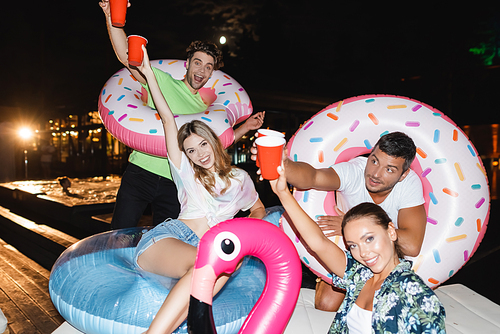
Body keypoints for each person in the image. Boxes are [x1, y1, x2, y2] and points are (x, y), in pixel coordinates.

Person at [132, 46, 266, 334]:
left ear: (214, 142)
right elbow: (168, 118)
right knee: (210, 264)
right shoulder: (186, 170)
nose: (199, 154)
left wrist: (244, 233)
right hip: (170, 239)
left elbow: (257, 209)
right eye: (191, 150)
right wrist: (148, 75)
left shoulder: (240, 179)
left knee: (219, 265)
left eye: (203, 144)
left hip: (210, 248)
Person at [99, 0, 265, 229]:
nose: (202, 70)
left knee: (165, 240)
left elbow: (212, 145)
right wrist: (111, 16)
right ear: (187, 64)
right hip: (141, 173)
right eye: (198, 63)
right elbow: (125, 56)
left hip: (176, 182)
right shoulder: (163, 82)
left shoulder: (205, 109)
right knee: (119, 234)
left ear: (212, 74)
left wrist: (245, 128)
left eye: (209, 67)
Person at [253, 131, 427, 311]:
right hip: (345, 250)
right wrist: (283, 165)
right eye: (374, 160)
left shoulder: (409, 185)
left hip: (380, 252)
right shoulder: (355, 171)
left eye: (389, 169)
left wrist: (352, 226)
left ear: (403, 174)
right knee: (326, 305)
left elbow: (412, 245)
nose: (375, 173)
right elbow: (313, 177)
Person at [270, 167, 446, 333]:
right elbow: (319, 242)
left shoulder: (418, 296)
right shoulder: (360, 274)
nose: (363, 253)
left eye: (369, 239)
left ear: (391, 232)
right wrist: (283, 193)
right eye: (353, 245)